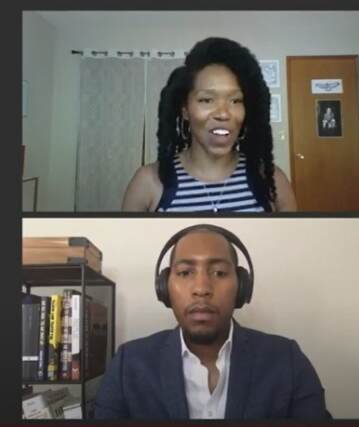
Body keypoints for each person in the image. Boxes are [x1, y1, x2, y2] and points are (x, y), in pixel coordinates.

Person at [94, 224, 328, 419]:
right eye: (185, 273)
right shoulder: (128, 364)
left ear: (242, 286)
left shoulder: (287, 360)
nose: (202, 289)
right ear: (164, 288)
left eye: (219, 273)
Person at [122, 38, 297, 212]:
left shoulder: (271, 180)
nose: (223, 113)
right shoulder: (148, 182)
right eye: (207, 100)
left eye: (235, 100)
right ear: (185, 110)